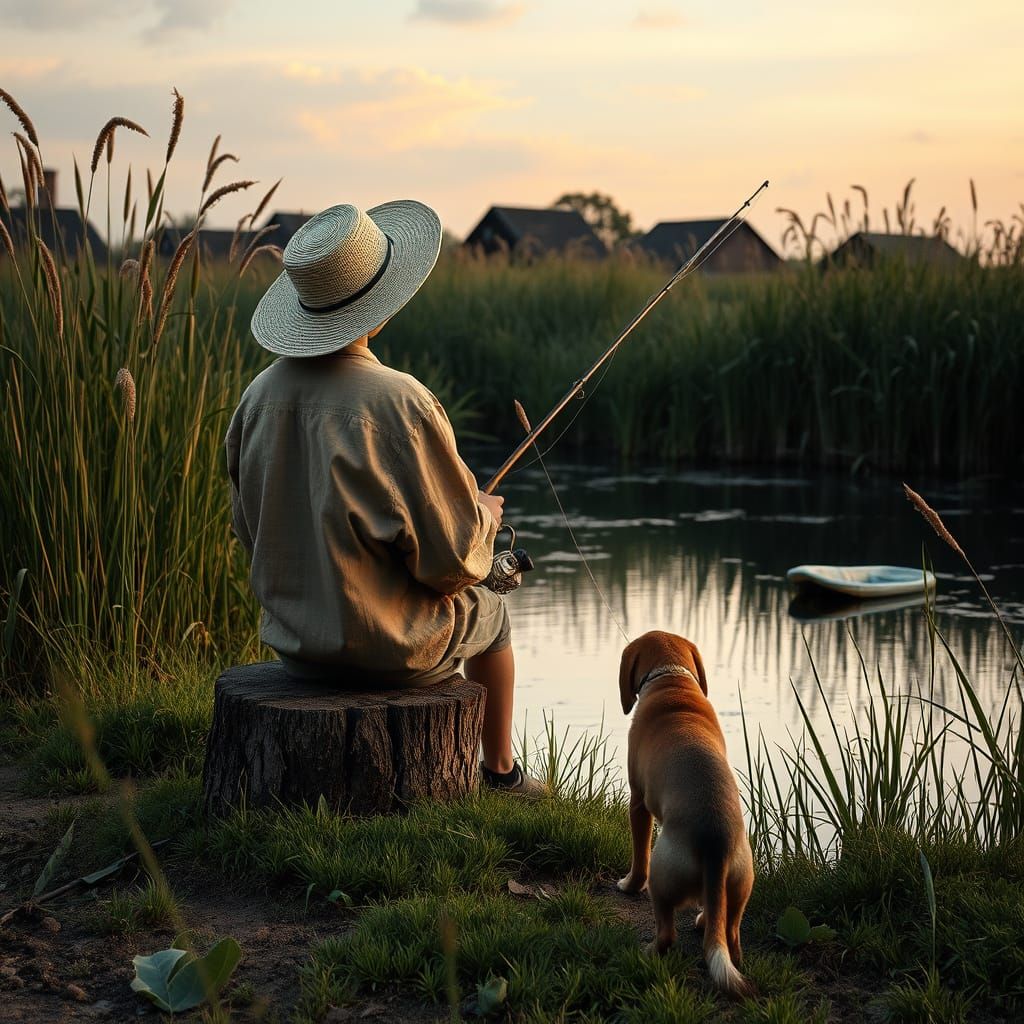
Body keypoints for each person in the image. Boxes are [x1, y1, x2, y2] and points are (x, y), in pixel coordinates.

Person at [226, 200, 545, 797]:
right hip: (389, 650)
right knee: (494, 615)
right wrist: (481, 514)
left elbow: (251, 531)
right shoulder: (401, 402)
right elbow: (452, 562)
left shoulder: (256, 398)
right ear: (382, 305)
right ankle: (501, 772)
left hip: (297, 651)